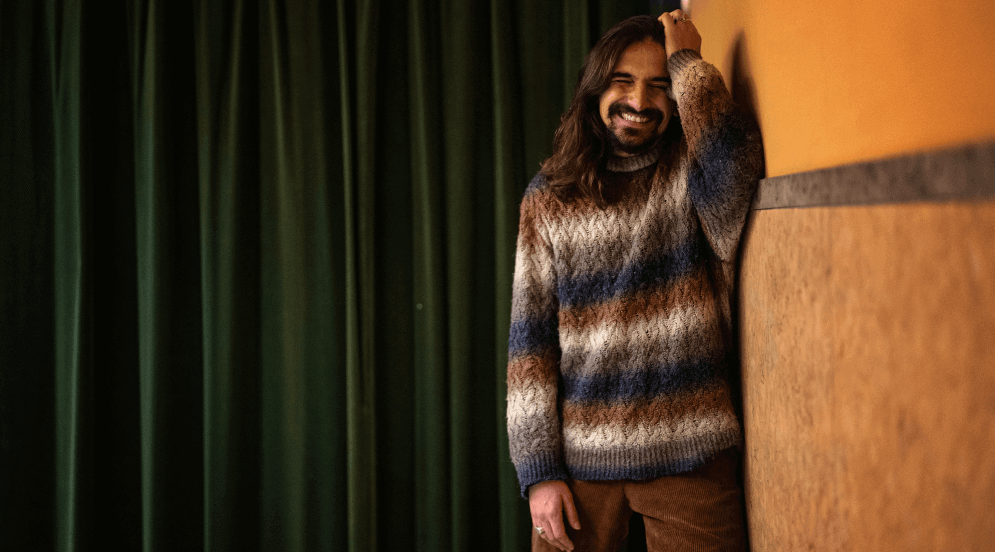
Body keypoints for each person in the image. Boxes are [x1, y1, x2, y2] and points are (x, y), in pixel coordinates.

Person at [506, 9, 763, 552]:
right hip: (579, 465)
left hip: (692, 451)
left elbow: (738, 165)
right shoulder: (549, 196)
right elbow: (530, 348)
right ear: (595, 88)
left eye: (659, 85)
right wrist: (539, 472)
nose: (640, 101)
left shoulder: (691, 172)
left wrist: (687, 61)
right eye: (622, 81)